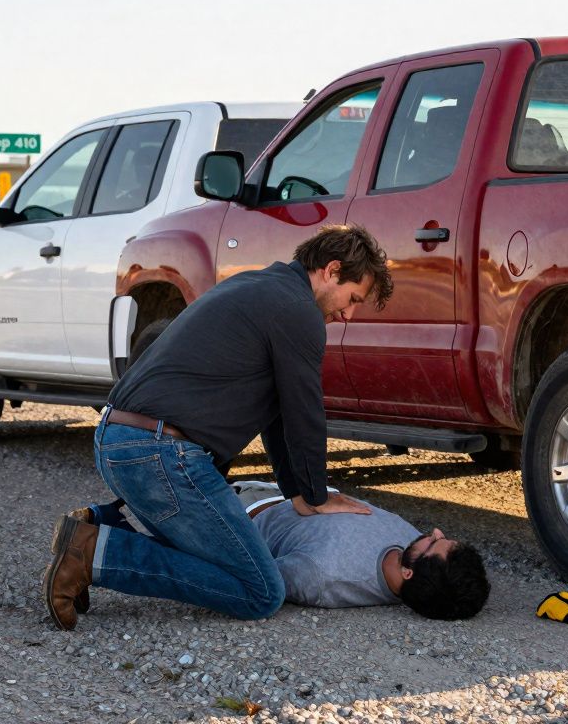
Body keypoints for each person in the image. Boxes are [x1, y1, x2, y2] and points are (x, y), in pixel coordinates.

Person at [43, 224, 395, 630]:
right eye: (352, 299)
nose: (347, 314)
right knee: (260, 590)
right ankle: (96, 553)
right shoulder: (299, 311)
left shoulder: (259, 286)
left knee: (221, 559)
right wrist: (318, 497)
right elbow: (305, 411)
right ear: (332, 270)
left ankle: (100, 526)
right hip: (158, 455)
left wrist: (298, 492)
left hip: (118, 441)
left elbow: (279, 417)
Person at [66, 482, 491, 620]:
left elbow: (238, 570)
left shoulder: (325, 578)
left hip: (230, 511)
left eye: (435, 542)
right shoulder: (407, 541)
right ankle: (103, 534)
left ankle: (98, 544)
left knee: (253, 592)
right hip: (271, 486)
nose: (432, 530)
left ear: (414, 574)